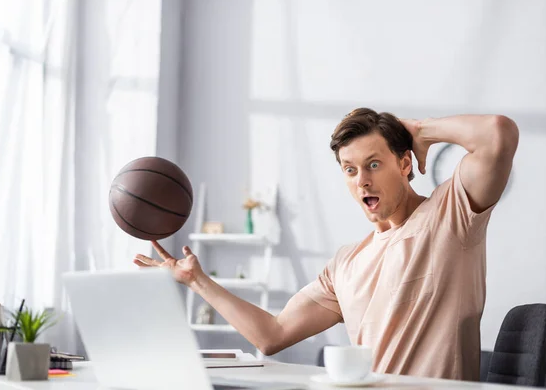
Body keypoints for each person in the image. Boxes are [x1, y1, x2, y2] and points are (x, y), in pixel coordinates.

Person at [134, 108, 519, 381]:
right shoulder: (346, 264)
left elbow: (498, 133)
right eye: (350, 170)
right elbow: (272, 336)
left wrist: (421, 129)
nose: (361, 181)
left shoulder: (449, 215)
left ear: (404, 164)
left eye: (373, 164)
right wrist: (196, 279)